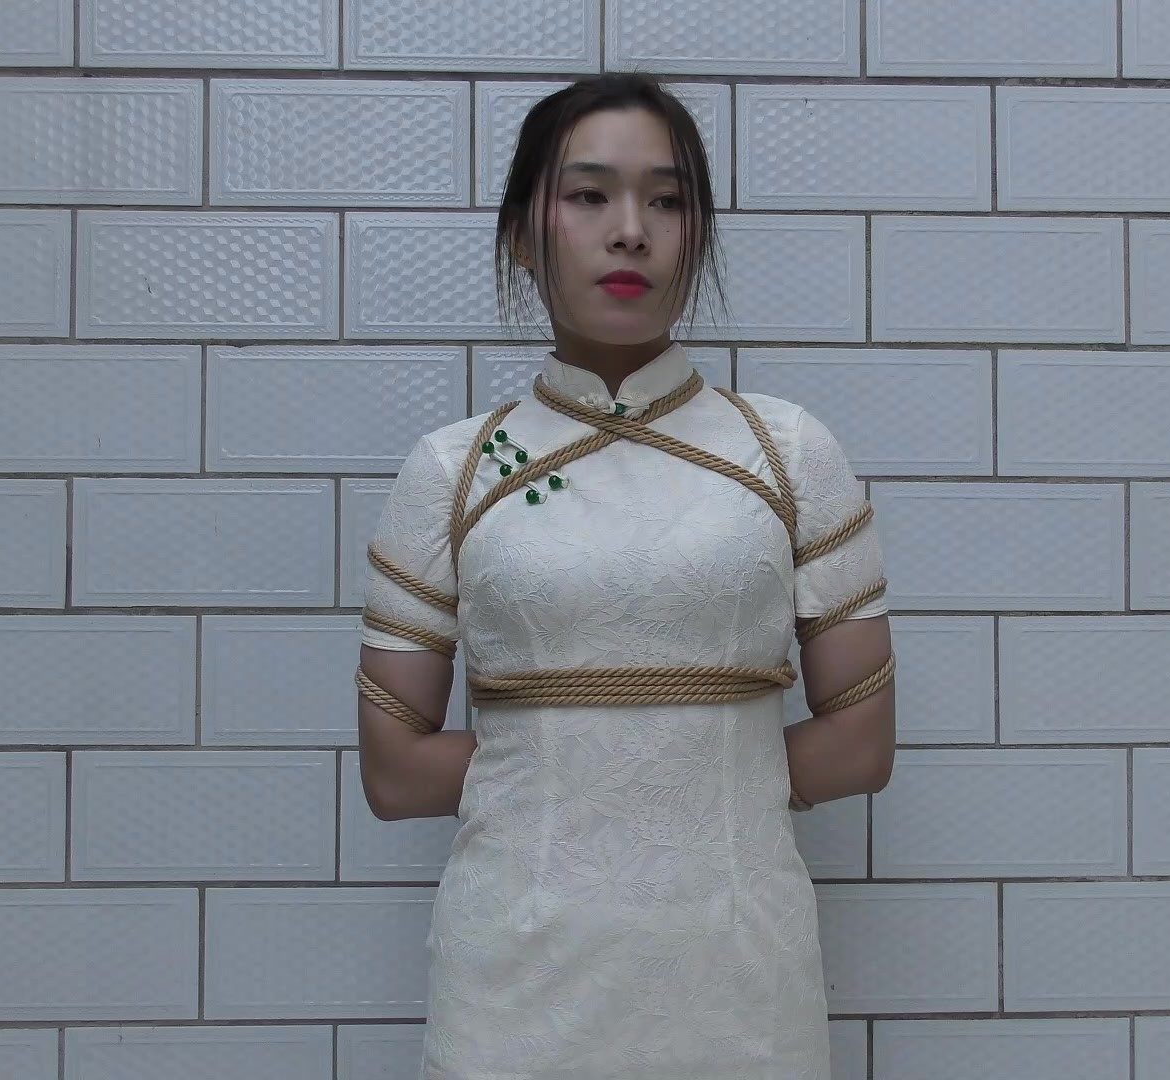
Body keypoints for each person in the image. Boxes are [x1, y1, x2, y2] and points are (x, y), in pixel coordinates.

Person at [354, 71, 897, 1080]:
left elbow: (861, 742)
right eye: (589, 195)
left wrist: (686, 775)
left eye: (667, 200)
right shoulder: (454, 471)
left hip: (742, 978)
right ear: (523, 234)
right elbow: (393, 771)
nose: (631, 232)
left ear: (699, 235)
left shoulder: (789, 454)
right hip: (512, 981)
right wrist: (587, 769)